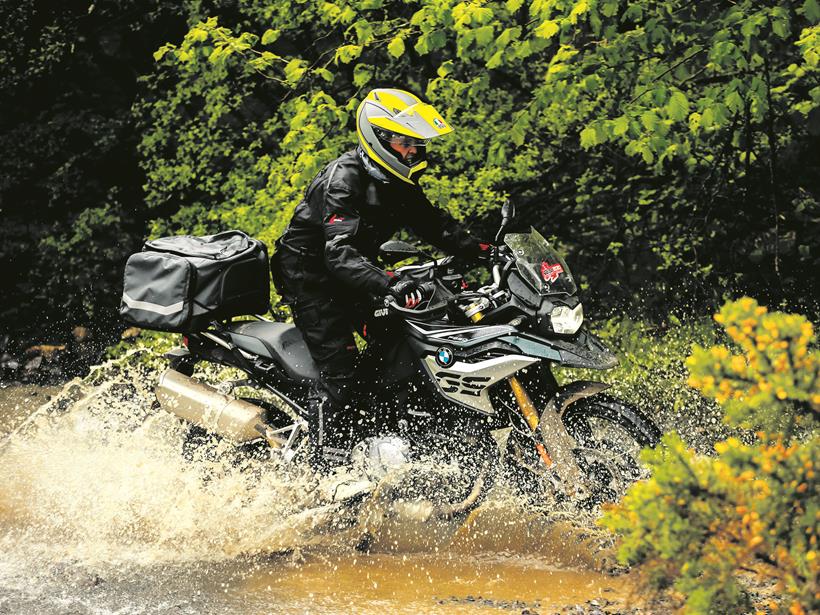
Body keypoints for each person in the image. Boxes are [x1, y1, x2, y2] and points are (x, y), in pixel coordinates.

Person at [271, 88, 487, 470]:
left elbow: (433, 224)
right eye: (405, 143)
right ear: (379, 138)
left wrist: (486, 250)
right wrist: (391, 283)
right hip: (310, 278)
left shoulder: (396, 182)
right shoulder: (344, 180)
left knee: (401, 345)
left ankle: (378, 436)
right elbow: (337, 253)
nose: (413, 152)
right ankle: (324, 471)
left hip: (352, 271)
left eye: (416, 144)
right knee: (341, 373)